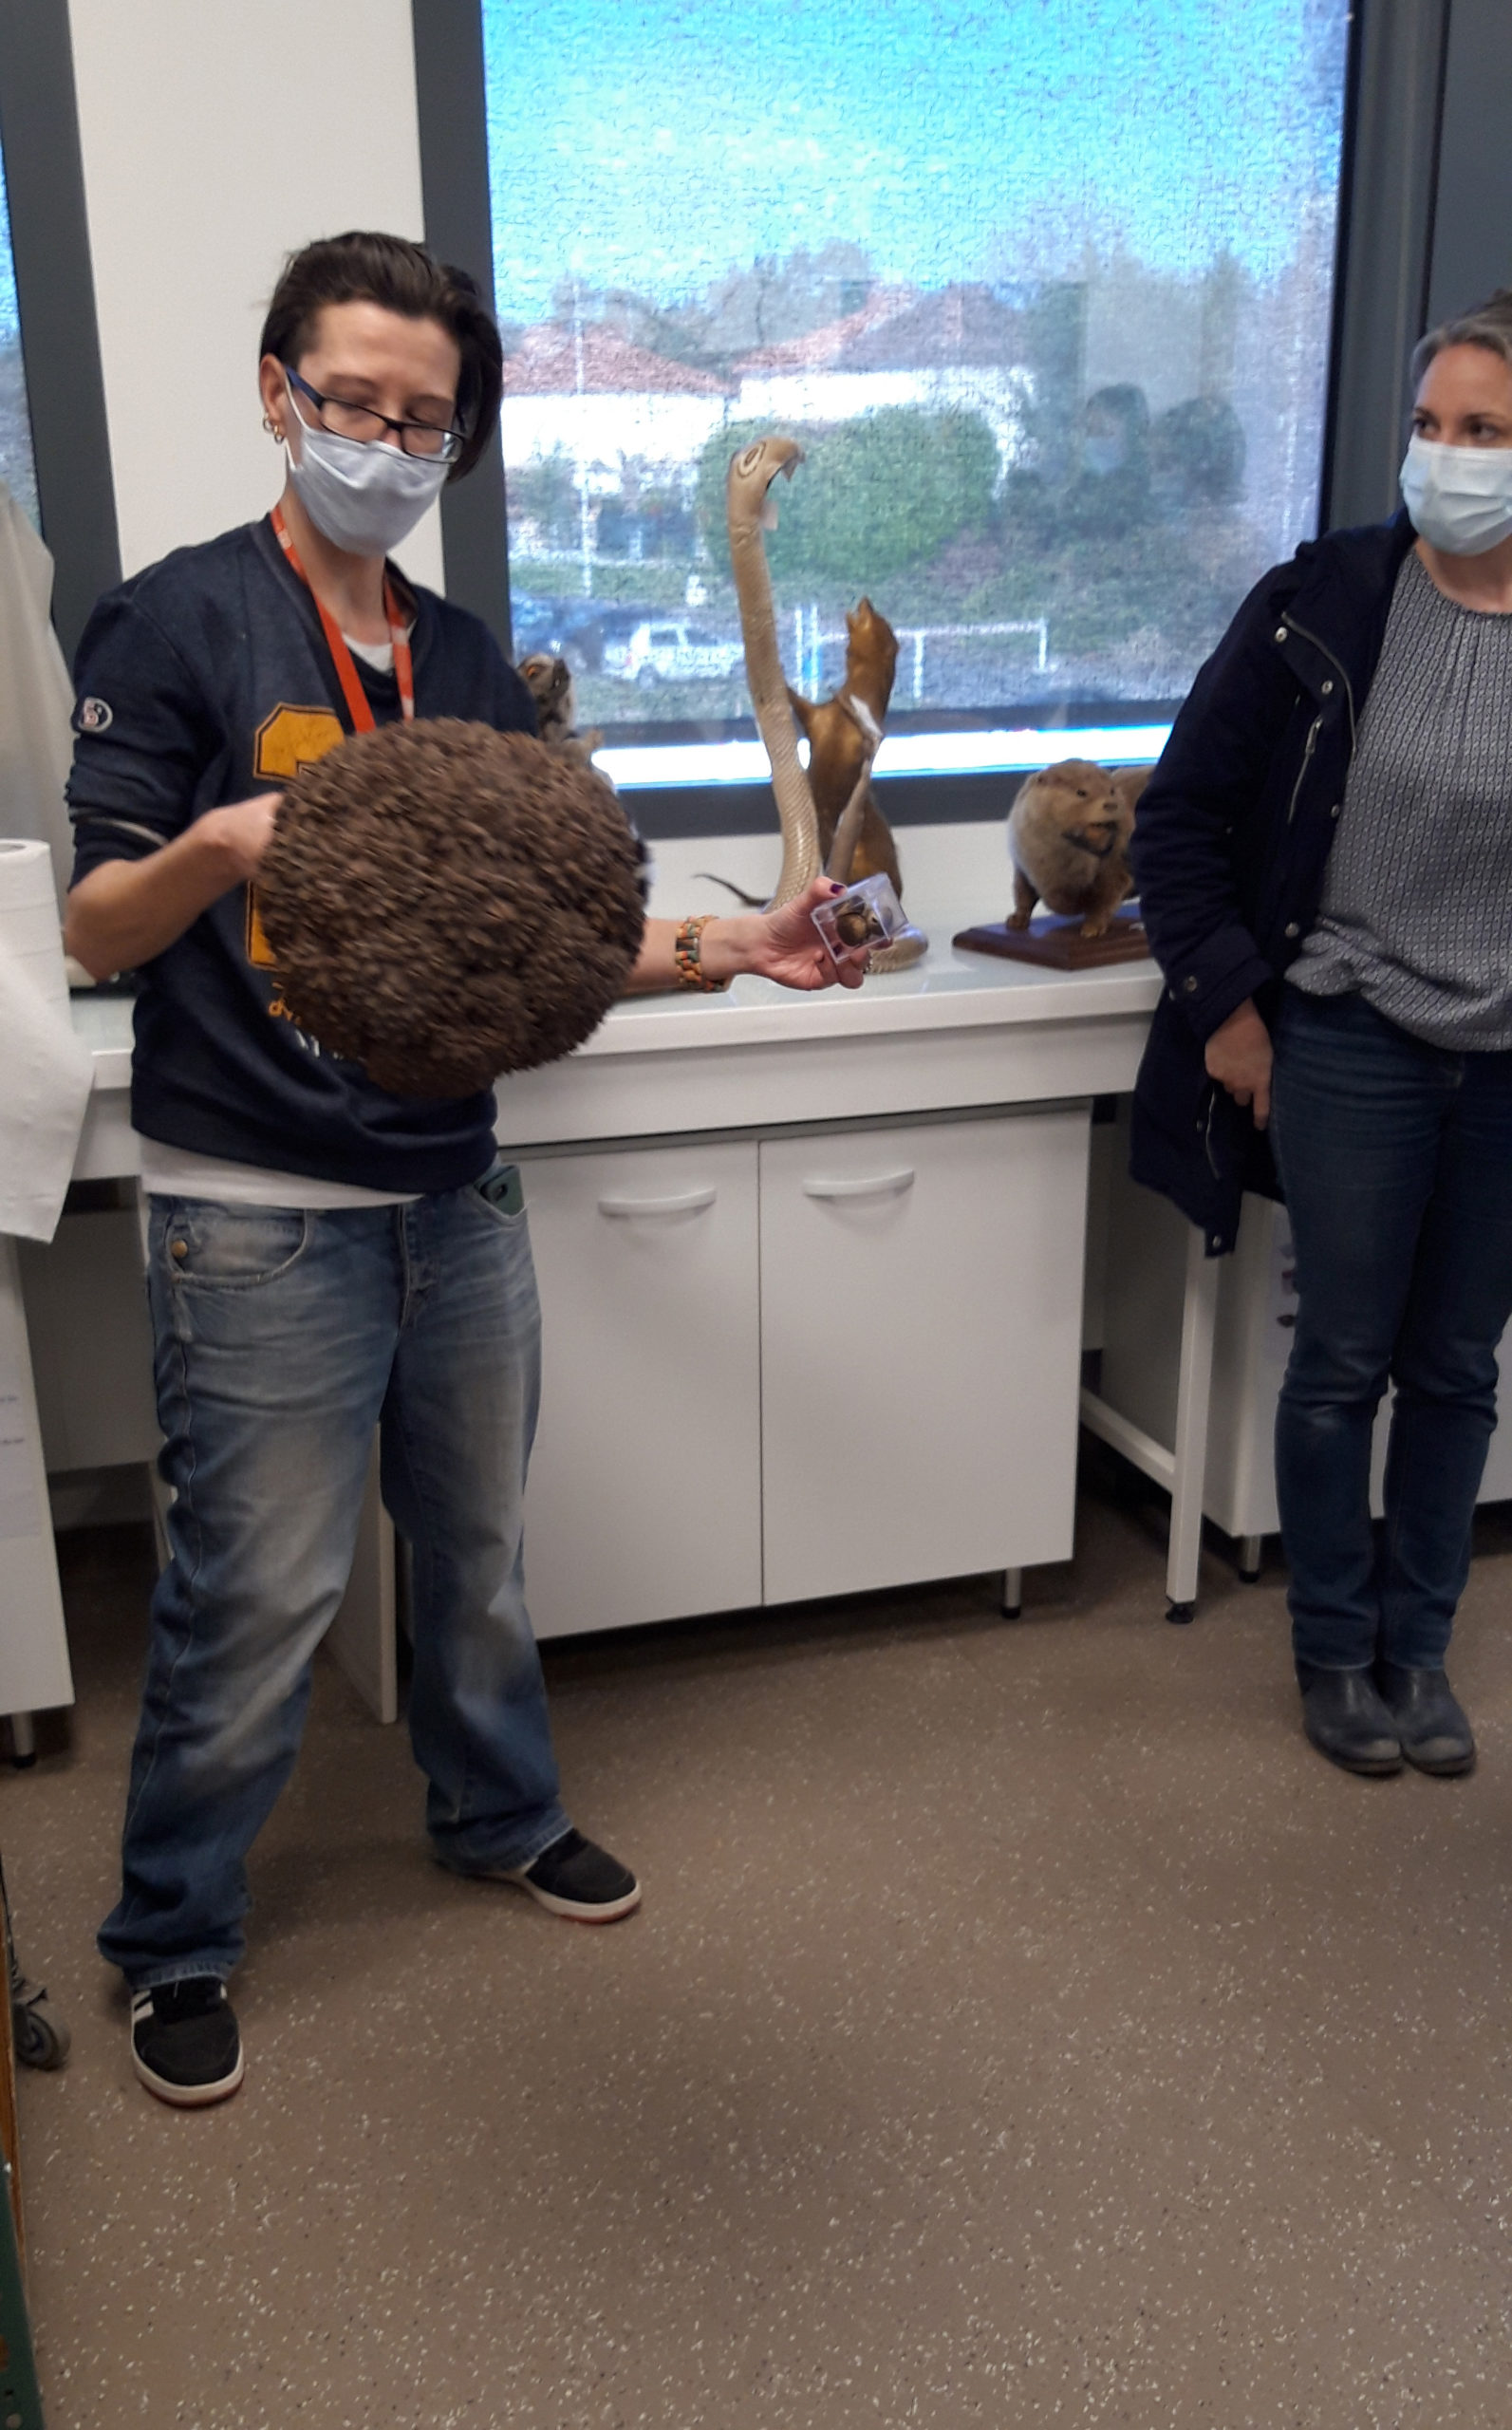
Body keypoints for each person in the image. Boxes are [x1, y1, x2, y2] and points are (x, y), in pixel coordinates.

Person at [64, 231, 865, 2108]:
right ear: (277, 394)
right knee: (256, 1595)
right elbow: (96, 929)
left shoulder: (468, 662)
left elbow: (550, 942)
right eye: (350, 400)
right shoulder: (174, 624)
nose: (384, 440)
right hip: (258, 1213)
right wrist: (226, 845)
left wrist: (735, 944)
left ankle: (496, 1812)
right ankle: (173, 1933)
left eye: (423, 418)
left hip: (455, 1192)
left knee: (481, 1550)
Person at [1129, 290, 1512, 1781]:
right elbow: (1176, 821)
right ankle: (1334, 1654)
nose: (1445, 455)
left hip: (1502, 1065)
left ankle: (1419, 1652)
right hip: (1349, 1034)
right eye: (1428, 424)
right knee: (1342, 1359)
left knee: (1457, 1369)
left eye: (1483, 430)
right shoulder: (1324, 601)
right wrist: (1229, 1011)